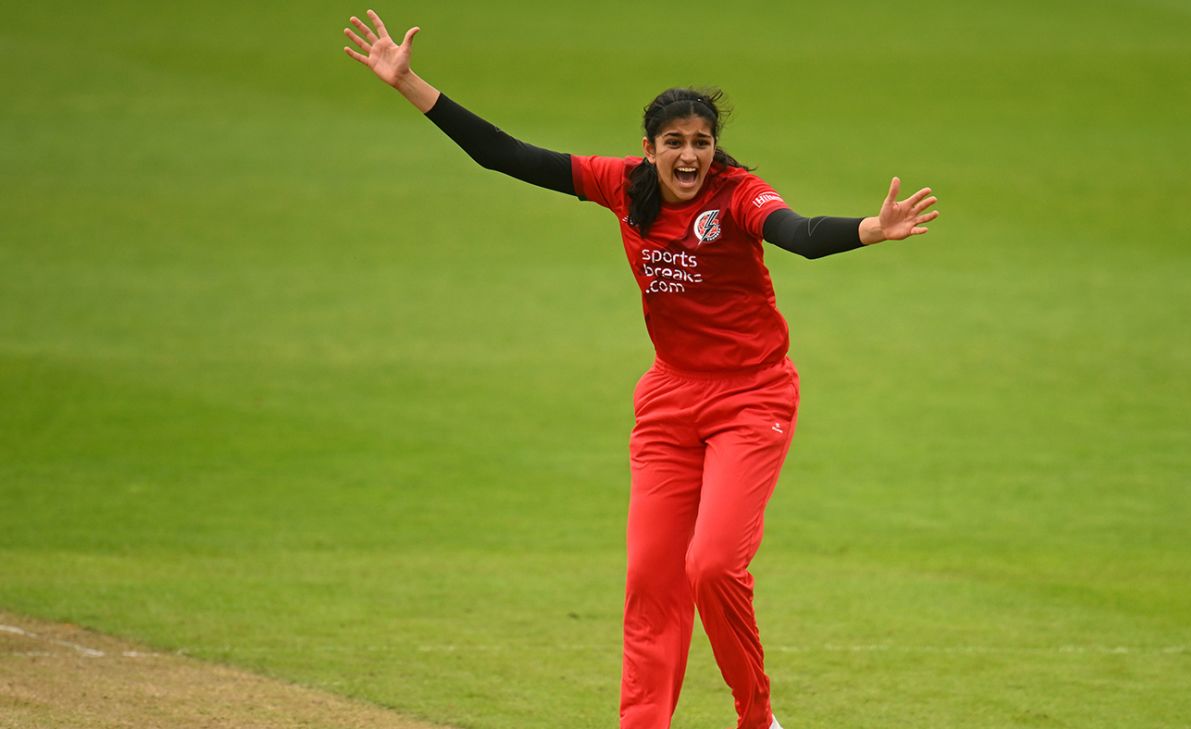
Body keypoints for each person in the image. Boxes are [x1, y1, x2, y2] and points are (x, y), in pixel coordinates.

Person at [343, 10, 939, 729]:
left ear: (715, 149)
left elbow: (799, 234)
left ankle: (758, 719)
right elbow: (505, 155)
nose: (689, 155)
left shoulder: (739, 193)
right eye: (674, 143)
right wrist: (409, 84)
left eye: (701, 142)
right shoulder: (623, 185)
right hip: (668, 399)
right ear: (649, 148)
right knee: (652, 580)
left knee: (713, 565)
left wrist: (871, 229)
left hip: (752, 397)